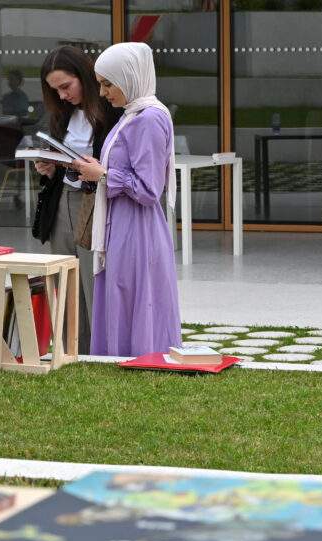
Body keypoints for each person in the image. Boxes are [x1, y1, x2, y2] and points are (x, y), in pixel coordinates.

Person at [72, 42, 181, 357]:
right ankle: (120, 356)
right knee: (121, 290)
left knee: (134, 292)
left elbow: (149, 190)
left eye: (108, 83)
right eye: (100, 84)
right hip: (121, 222)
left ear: (130, 76)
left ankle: (140, 356)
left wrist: (103, 176)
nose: (103, 93)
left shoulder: (148, 118)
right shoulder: (131, 115)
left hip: (136, 227)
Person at [33, 46, 122, 355]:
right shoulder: (62, 114)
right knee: (64, 281)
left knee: (92, 281)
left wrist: (92, 168)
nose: (62, 95)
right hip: (62, 204)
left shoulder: (112, 113)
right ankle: (72, 350)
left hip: (93, 204)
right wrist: (47, 168)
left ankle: (99, 352)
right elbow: (61, 161)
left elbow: (114, 167)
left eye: (66, 86)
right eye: (55, 89)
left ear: (83, 76)